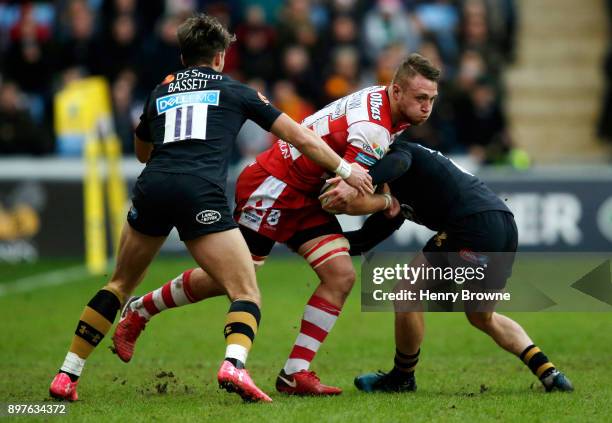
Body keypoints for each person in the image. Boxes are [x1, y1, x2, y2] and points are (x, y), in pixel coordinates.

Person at [48, 13, 372, 404]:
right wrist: (343, 168)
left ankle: (67, 374)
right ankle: (234, 364)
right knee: (245, 287)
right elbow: (300, 137)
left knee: (117, 284)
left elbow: (141, 152)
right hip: (200, 192)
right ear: (220, 57)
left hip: (153, 186)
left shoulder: (160, 91)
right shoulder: (236, 90)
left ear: (183, 57)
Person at [110, 54, 440, 396]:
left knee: (340, 275)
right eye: (420, 98)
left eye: (431, 99)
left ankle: (294, 373)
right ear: (397, 91)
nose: (427, 107)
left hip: (304, 192)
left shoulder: (382, 100)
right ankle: (141, 308)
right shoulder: (373, 129)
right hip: (273, 187)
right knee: (231, 278)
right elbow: (341, 198)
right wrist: (386, 203)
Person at [319, 135, 574, 393]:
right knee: (481, 316)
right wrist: (310, 241)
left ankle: (402, 378)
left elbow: (400, 161)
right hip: (502, 225)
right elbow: (362, 241)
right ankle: (549, 372)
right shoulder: (394, 197)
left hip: (473, 226)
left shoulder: (394, 154)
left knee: (407, 294)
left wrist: (358, 181)